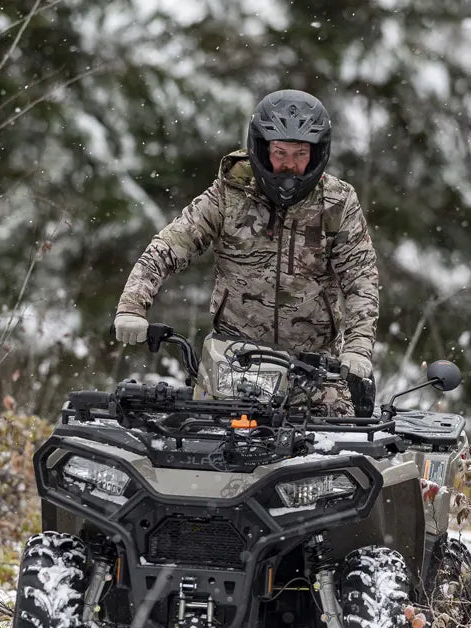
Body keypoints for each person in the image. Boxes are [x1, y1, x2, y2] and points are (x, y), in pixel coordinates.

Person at [113, 89, 379, 415]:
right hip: (233, 358)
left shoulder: (338, 202)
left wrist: (358, 348)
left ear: (318, 153)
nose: (289, 166)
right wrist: (131, 307)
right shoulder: (229, 194)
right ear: (262, 149)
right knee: (205, 445)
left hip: (314, 366)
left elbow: (361, 277)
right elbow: (169, 246)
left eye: (300, 154)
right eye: (280, 153)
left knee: (338, 451)